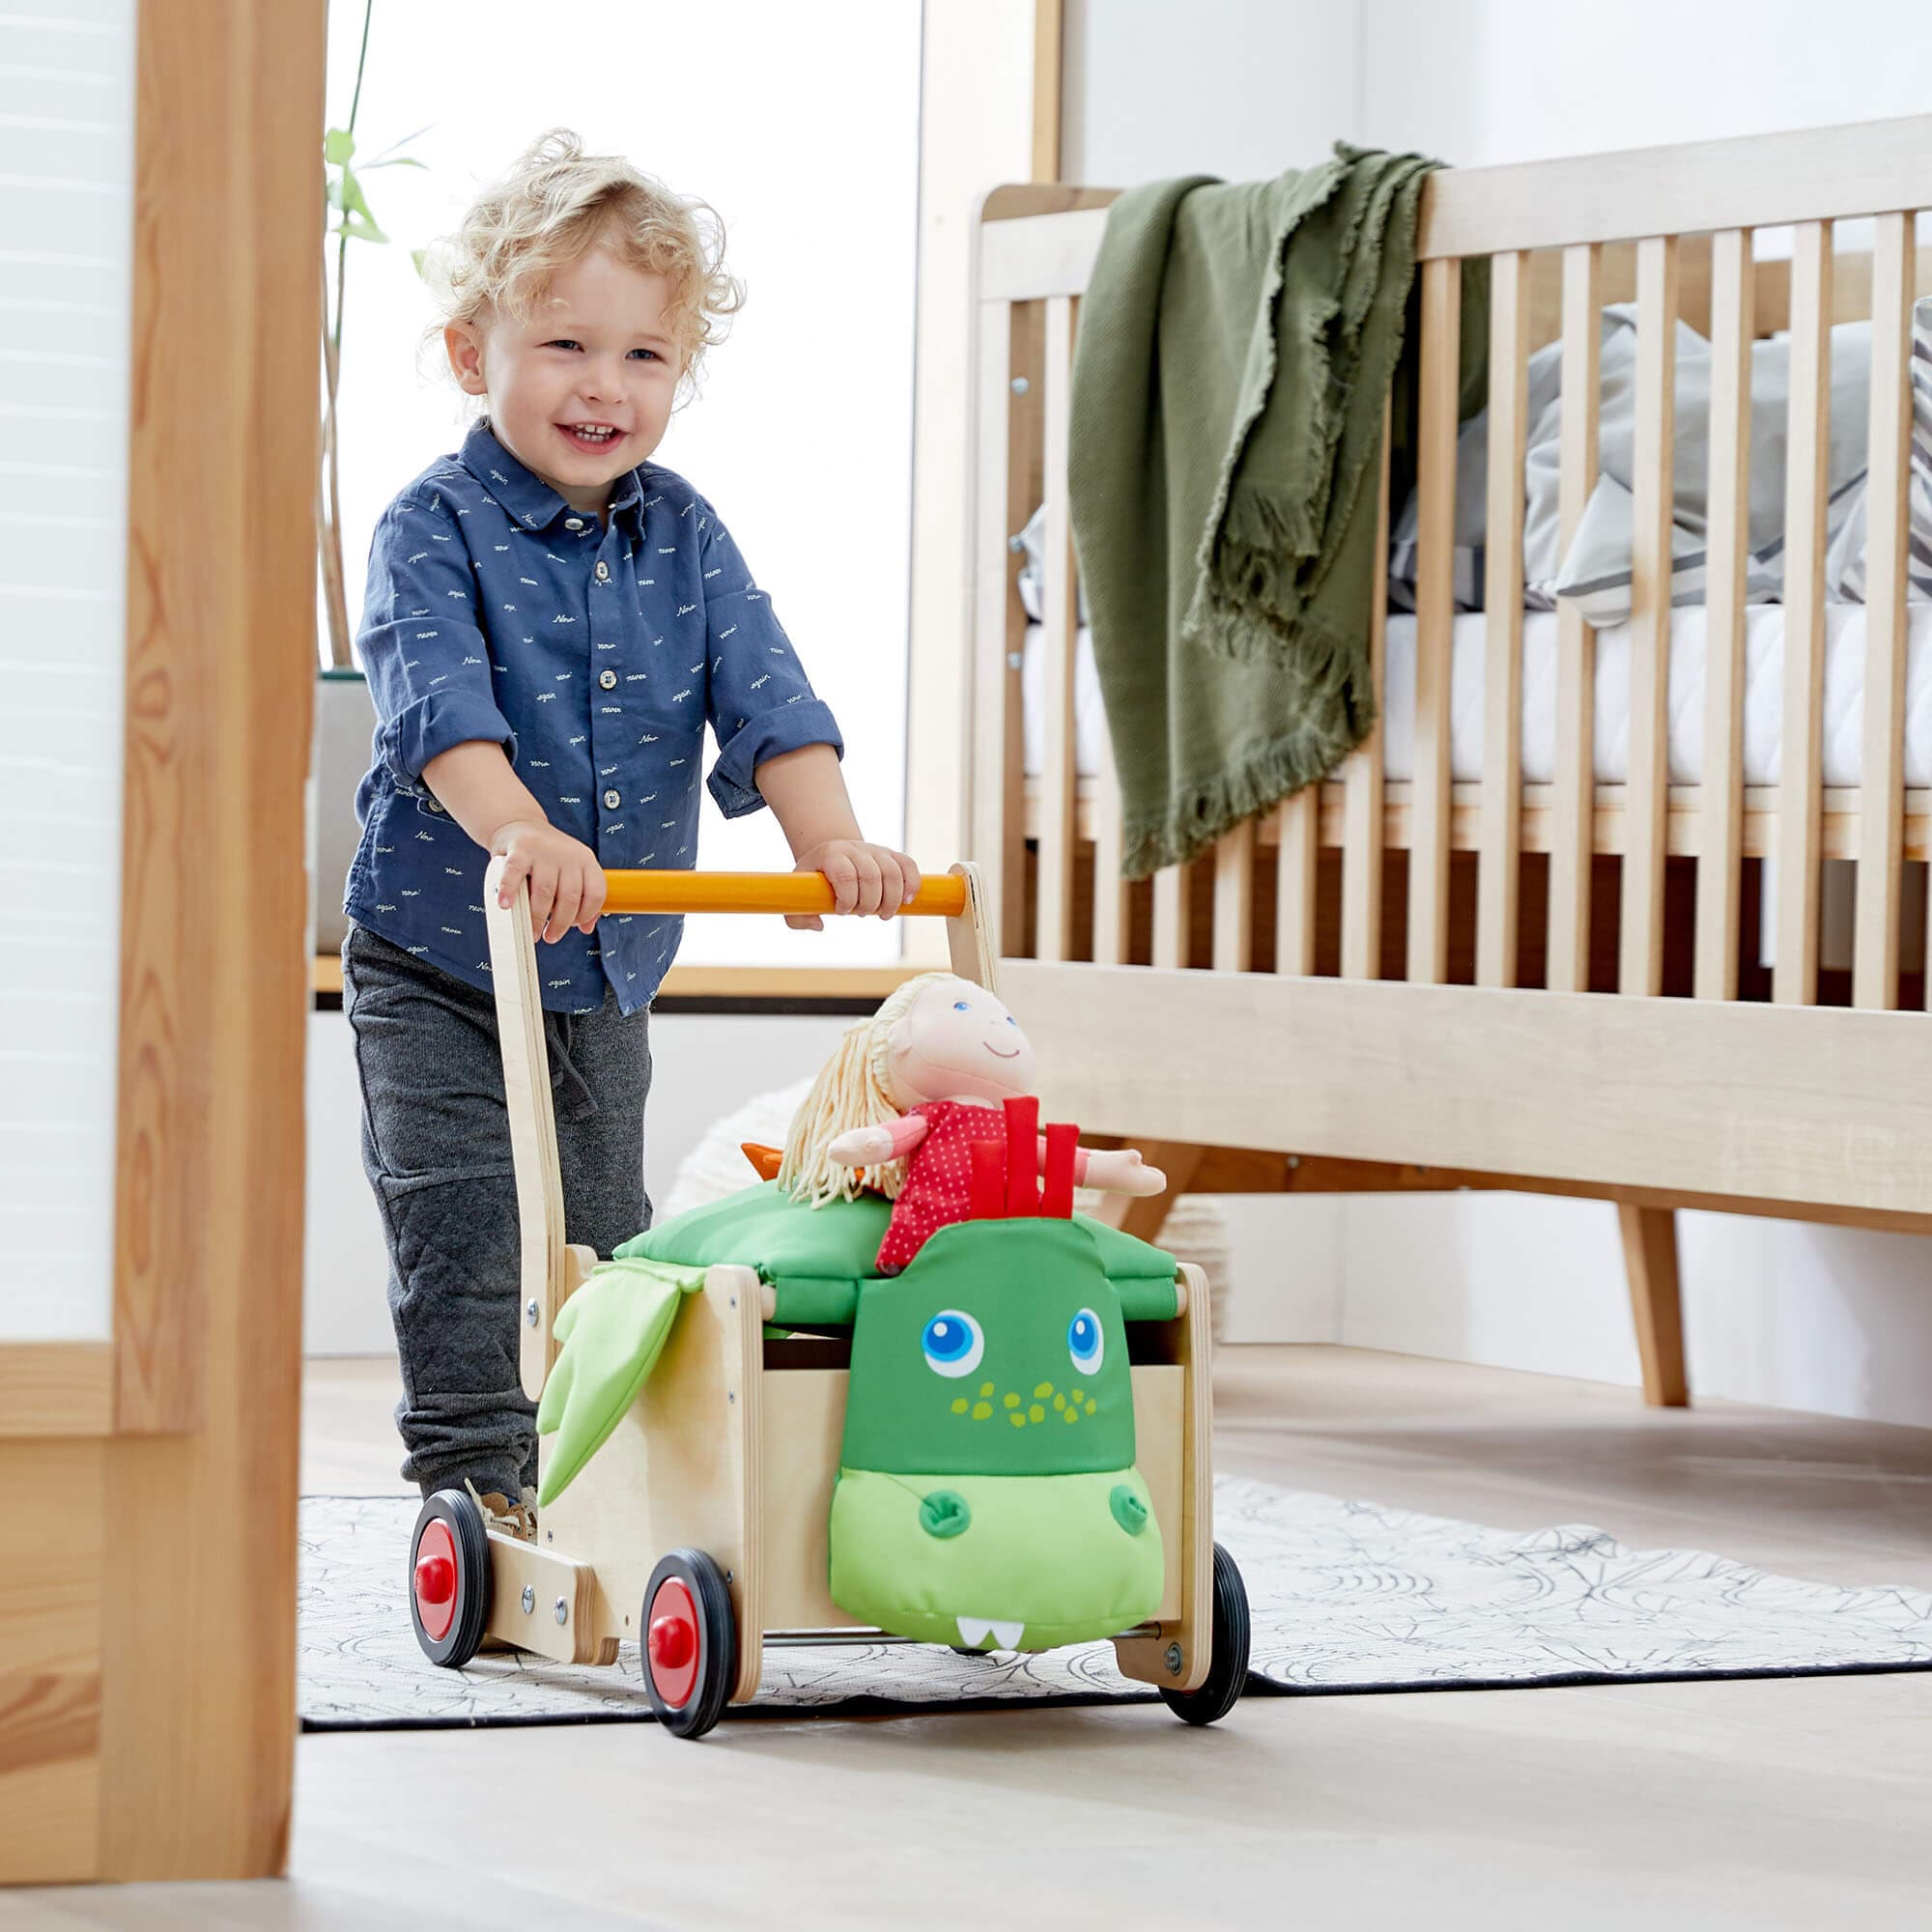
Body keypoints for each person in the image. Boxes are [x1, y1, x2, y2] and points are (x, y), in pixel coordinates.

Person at [342, 129, 914, 1535]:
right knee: (470, 1227)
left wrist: (828, 837)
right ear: (476, 355)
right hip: (438, 964)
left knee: (608, 1242)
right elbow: (439, 711)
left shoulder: (691, 538)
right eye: (563, 346)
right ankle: (474, 1482)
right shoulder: (433, 527)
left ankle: (596, 1469)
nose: (604, 386)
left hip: (600, 974)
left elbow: (771, 694)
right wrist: (520, 831)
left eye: (643, 357)